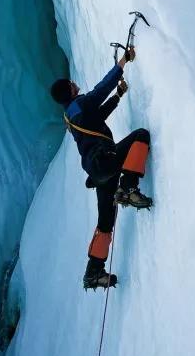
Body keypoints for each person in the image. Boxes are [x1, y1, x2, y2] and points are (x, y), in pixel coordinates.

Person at [50, 46, 152, 289]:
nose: (76, 84)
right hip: (104, 160)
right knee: (141, 135)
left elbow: (97, 117)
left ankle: (93, 271)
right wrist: (122, 63)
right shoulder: (82, 103)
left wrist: (118, 96)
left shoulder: (71, 114)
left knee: (106, 221)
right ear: (69, 91)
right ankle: (128, 188)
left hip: (98, 173)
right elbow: (100, 90)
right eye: (72, 84)